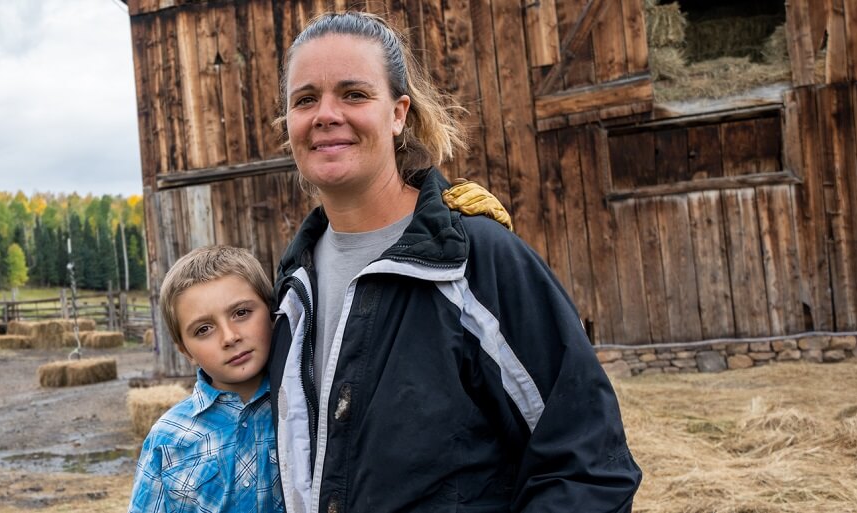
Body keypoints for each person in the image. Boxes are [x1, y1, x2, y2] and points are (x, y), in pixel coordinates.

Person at [267, 12, 641, 513]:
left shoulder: (475, 262)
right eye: (305, 99)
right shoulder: (292, 290)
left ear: (398, 113)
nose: (325, 114)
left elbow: (589, 466)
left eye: (354, 94)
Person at [129, 245, 284, 513]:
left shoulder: (304, 412)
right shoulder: (167, 439)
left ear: (272, 313)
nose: (229, 337)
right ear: (185, 350)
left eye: (241, 313)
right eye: (203, 329)